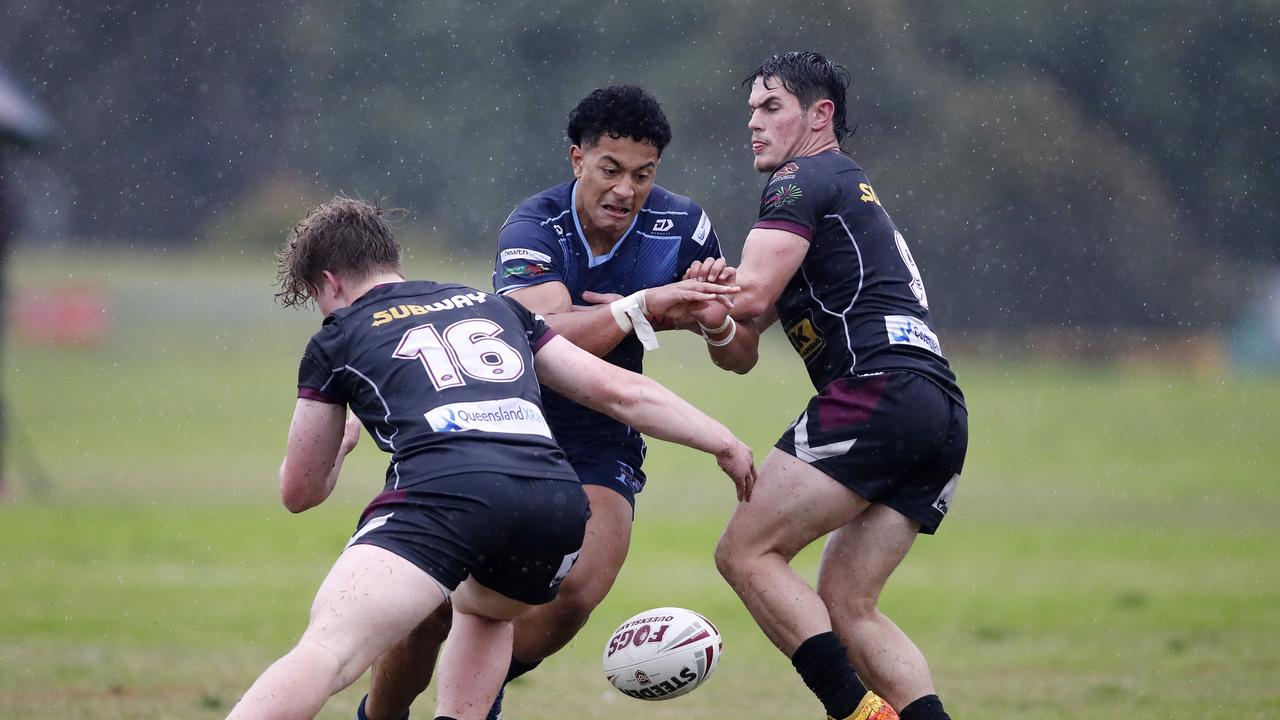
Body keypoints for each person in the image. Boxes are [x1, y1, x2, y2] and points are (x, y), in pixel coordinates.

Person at [226, 197, 754, 720]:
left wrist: (340, 448)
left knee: (327, 651)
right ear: (392, 262)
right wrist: (722, 440)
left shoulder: (338, 336)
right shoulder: (494, 306)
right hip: (552, 500)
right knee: (486, 614)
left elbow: (300, 491)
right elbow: (617, 390)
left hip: (450, 490)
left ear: (330, 283)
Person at [358, 85, 753, 720]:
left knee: (573, 594)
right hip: (501, 422)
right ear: (577, 160)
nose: (625, 190)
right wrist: (645, 307)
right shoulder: (532, 226)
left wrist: (713, 319)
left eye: (643, 175)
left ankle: (471, 700)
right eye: (610, 170)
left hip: (601, 434)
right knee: (424, 611)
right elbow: (545, 339)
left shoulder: (683, 225)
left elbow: (743, 354)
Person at [699, 52, 969, 720]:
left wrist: (670, 292)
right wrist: (708, 316)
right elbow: (740, 350)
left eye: (771, 109)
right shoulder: (838, 190)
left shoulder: (800, 177)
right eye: (751, 114)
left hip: (877, 390)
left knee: (746, 552)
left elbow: (752, 290)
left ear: (820, 117)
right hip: (938, 408)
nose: (755, 126)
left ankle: (857, 713)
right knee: (849, 607)